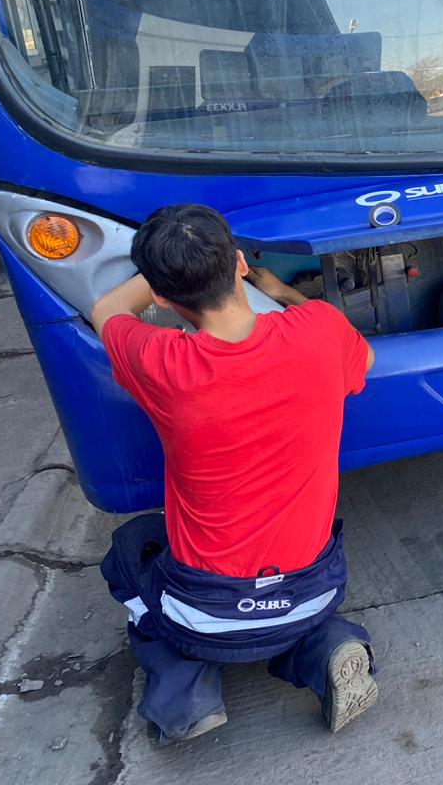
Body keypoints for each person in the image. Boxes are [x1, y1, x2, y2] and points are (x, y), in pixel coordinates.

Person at [91, 204, 378, 743]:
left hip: (207, 610)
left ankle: (185, 691)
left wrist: (158, 275)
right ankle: (326, 649)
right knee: (294, 613)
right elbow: (361, 362)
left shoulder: (160, 361)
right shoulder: (319, 330)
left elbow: (107, 307)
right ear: (241, 264)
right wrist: (289, 295)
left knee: (129, 551)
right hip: (313, 590)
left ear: (160, 296)